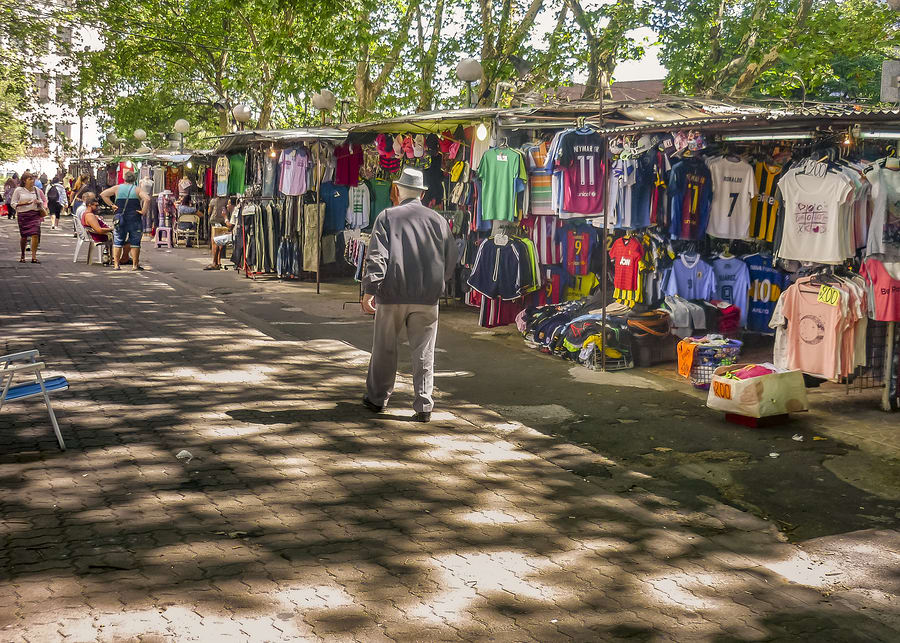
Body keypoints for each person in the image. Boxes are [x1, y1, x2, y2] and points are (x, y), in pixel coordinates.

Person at [360, 167, 457, 423]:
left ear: (400, 190)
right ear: (422, 194)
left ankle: (377, 399)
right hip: (426, 297)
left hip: (392, 294)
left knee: (384, 348)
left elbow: (378, 256)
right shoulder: (438, 220)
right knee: (424, 352)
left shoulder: (387, 216)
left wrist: (370, 288)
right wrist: (437, 284)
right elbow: (451, 259)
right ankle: (424, 405)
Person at [100, 170, 149, 271]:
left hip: (120, 218)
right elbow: (147, 199)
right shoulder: (137, 189)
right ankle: (135, 265)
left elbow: (103, 194)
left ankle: (116, 265)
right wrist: (143, 211)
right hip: (134, 218)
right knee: (135, 242)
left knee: (118, 241)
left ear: (124, 179)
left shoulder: (117, 188)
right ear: (134, 179)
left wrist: (112, 205)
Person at [10, 172, 49, 263]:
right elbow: (13, 203)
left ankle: (34, 256)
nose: (32, 181)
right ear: (24, 181)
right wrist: (23, 203)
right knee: (24, 236)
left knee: (35, 234)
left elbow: (41, 201)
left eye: (33, 179)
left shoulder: (36, 190)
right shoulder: (18, 190)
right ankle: (23, 255)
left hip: (34, 214)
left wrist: (38, 202)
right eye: (30, 179)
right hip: (23, 215)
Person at [77, 193, 113, 262]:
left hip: (101, 234)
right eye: (96, 205)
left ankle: (116, 257)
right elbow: (99, 230)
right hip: (101, 236)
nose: (97, 207)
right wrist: (112, 229)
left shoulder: (88, 214)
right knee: (123, 240)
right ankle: (119, 258)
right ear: (89, 205)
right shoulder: (89, 215)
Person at [205, 197, 237, 270]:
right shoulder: (235, 211)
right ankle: (218, 262)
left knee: (215, 240)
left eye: (228, 204)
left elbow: (230, 226)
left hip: (235, 236)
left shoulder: (234, 212)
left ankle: (214, 263)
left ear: (232, 205)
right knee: (219, 239)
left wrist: (225, 217)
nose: (227, 206)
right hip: (234, 234)